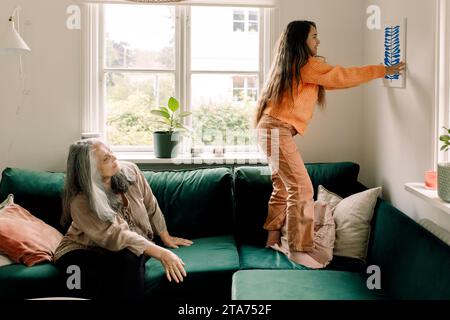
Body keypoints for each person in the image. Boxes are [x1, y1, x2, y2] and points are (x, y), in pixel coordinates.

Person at [254, 20, 405, 268]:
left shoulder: (292, 64)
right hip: (275, 130)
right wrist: (382, 69)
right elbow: (343, 76)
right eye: (314, 36)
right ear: (301, 41)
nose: (318, 41)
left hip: (269, 129)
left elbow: (336, 78)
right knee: (302, 189)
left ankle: (272, 239)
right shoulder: (306, 64)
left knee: (283, 186)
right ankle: (298, 248)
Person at [53, 138, 193, 300]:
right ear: (90, 170)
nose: (114, 158)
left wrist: (165, 236)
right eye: (106, 158)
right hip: (83, 248)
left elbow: (150, 203)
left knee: (130, 257)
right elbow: (117, 235)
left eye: (110, 152)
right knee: (86, 275)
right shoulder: (81, 202)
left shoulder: (130, 171)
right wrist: (162, 254)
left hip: (124, 245)